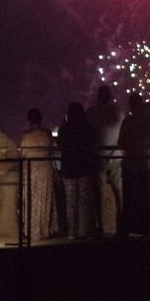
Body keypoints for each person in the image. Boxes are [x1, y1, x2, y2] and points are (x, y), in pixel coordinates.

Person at [117, 94, 150, 237]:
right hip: (146, 163)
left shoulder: (127, 121)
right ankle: (145, 229)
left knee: (129, 198)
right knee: (145, 198)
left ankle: (127, 229)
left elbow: (120, 142)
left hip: (129, 163)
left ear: (130, 105)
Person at [58, 101, 100, 240]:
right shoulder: (87, 128)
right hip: (85, 167)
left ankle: (72, 231)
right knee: (85, 200)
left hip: (68, 168)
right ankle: (85, 230)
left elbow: (60, 145)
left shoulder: (64, 129)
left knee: (70, 200)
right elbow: (94, 140)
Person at [18, 108, 62, 240]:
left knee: (32, 199)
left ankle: (31, 229)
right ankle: (45, 228)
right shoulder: (47, 134)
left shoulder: (25, 136)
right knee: (45, 198)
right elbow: (52, 149)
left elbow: (23, 153)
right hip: (45, 168)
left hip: (31, 169)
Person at [86, 86, 124, 236]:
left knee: (99, 195)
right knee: (120, 193)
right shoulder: (119, 112)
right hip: (116, 157)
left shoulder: (91, 113)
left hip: (98, 157)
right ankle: (122, 226)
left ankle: (101, 226)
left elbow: (89, 135)